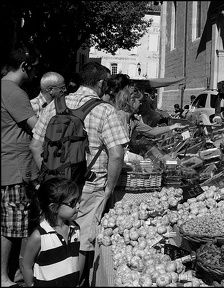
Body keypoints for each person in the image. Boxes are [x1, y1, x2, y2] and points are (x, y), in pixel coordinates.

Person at [30, 62, 129, 286]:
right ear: (101, 83)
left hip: (56, 185)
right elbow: (116, 154)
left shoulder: (55, 104)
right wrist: (109, 189)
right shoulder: (104, 109)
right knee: (82, 240)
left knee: (51, 234)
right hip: (89, 185)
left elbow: (35, 147)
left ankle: (46, 277)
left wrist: (50, 178)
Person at [1, 43, 40, 287]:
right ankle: (3, 277)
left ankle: (11, 272)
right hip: (15, 167)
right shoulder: (14, 92)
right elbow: (37, 127)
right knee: (10, 227)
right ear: (25, 66)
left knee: (13, 226)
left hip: (10, 164)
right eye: (34, 68)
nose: (35, 73)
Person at [22, 178, 81, 287]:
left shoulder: (75, 229)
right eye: (73, 202)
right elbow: (26, 266)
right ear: (54, 207)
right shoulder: (39, 236)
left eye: (79, 200)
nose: (78, 206)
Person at [115, 88, 186, 138]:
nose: (141, 104)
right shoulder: (119, 116)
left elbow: (152, 131)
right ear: (131, 101)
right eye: (139, 101)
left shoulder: (133, 120)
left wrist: (174, 126)